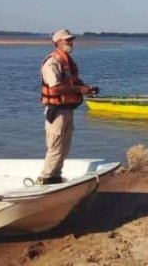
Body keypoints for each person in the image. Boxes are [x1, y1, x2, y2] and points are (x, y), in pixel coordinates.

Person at [38, 29, 99, 185]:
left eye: (71, 40)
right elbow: (55, 88)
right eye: (67, 40)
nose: (71, 42)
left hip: (68, 109)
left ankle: (56, 176)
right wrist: (79, 90)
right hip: (56, 111)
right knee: (55, 148)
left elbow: (72, 83)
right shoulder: (52, 62)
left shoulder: (66, 62)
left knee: (64, 148)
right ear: (58, 42)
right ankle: (46, 178)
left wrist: (87, 89)